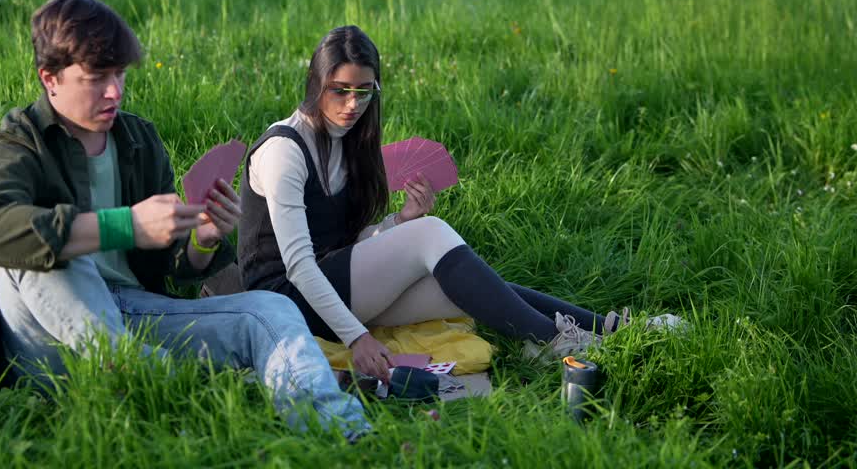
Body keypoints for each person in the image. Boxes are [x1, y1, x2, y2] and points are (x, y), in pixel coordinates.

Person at [0, 0, 369, 437]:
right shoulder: (13, 143)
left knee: (271, 310)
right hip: (46, 341)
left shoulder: (137, 140)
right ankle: (166, 384)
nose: (115, 90)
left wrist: (203, 238)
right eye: (97, 78)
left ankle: (345, 434)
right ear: (50, 79)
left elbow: (173, 267)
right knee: (53, 256)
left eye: (119, 74)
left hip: (134, 316)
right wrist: (125, 225)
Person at [237, 25, 681, 383]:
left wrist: (397, 222)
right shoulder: (285, 151)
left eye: (365, 92)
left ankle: (612, 330)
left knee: (466, 288)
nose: (353, 104)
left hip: (330, 284)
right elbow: (298, 264)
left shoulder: (349, 144)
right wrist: (356, 338)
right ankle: (555, 342)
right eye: (340, 90)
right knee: (433, 233)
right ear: (316, 83)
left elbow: (345, 243)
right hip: (286, 300)